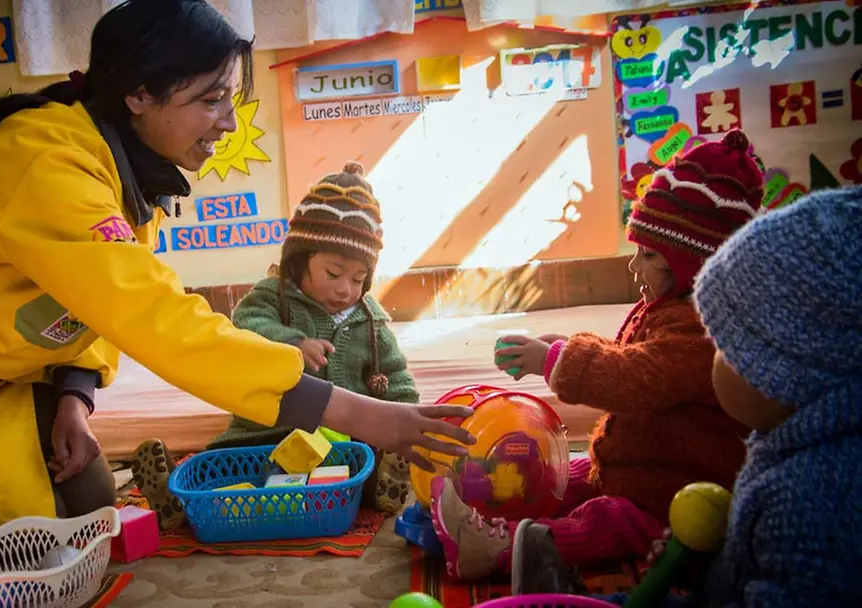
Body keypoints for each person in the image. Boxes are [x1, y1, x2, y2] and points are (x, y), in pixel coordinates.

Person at [0, 0, 473, 567]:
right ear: (139, 94)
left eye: (231, 99)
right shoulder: (50, 164)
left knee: (90, 502)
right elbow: (160, 321)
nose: (228, 119)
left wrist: (74, 393)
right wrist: (366, 417)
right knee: (36, 553)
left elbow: (97, 302)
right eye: (211, 99)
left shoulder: (123, 169)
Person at [428, 130, 761, 584]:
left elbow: (634, 376)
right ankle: (479, 511)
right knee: (562, 476)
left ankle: (499, 547)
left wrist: (555, 360)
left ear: (691, 264)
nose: (633, 266)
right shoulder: (669, 309)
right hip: (635, 464)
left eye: (647, 254)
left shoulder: (702, 329)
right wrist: (561, 346)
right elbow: (626, 353)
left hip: (670, 492)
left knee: (605, 520)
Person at [596, 185, 862, 606]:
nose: (710, 354)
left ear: (786, 371)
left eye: (724, 344)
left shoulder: (810, 503)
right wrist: (706, 563)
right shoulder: (782, 440)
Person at [204, 161, 417, 515]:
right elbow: (246, 322)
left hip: (345, 442)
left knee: (361, 466)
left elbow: (394, 375)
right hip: (270, 432)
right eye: (333, 273)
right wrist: (292, 343)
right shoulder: (274, 294)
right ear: (299, 260)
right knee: (225, 463)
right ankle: (178, 500)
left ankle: (382, 485)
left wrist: (406, 416)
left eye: (359, 278)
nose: (345, 289)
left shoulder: (370, 319)